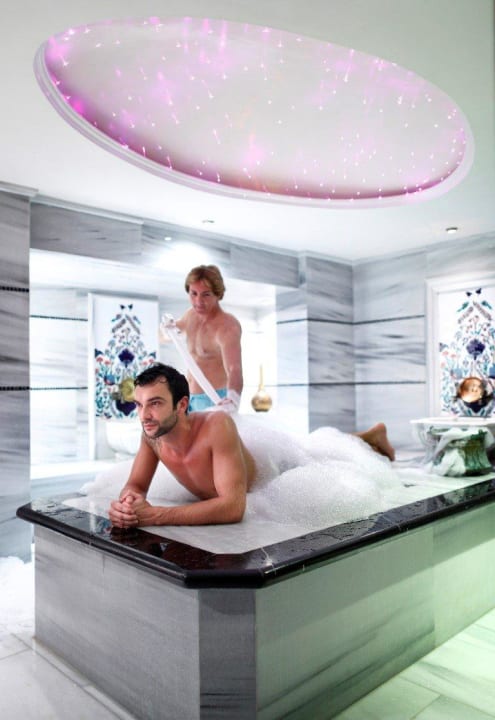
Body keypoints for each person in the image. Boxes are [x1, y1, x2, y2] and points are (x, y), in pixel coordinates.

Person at [108, 363, 395, 529]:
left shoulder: (216, 425)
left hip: (278, 470)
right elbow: (135, 485)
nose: (144, 415)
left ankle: (370, 438)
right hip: (258, 463)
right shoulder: (152, 436)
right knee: (313, 445)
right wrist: (129, 504)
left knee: (319, 452)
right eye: (140, 405)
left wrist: (156, 515)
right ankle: (368, 436)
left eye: (155, 404)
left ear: (182, 405)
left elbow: (233, 507)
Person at [161, 264, 243, 413]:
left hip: (213, 399)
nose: (198, 301)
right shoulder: (190, 315)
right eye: (193, 293)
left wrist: (233, 399)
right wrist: (166, 330)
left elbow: (234, 369)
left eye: (206, 295)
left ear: (217, 294)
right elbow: (165, 336)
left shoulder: (227, 327)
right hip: (188, 397)